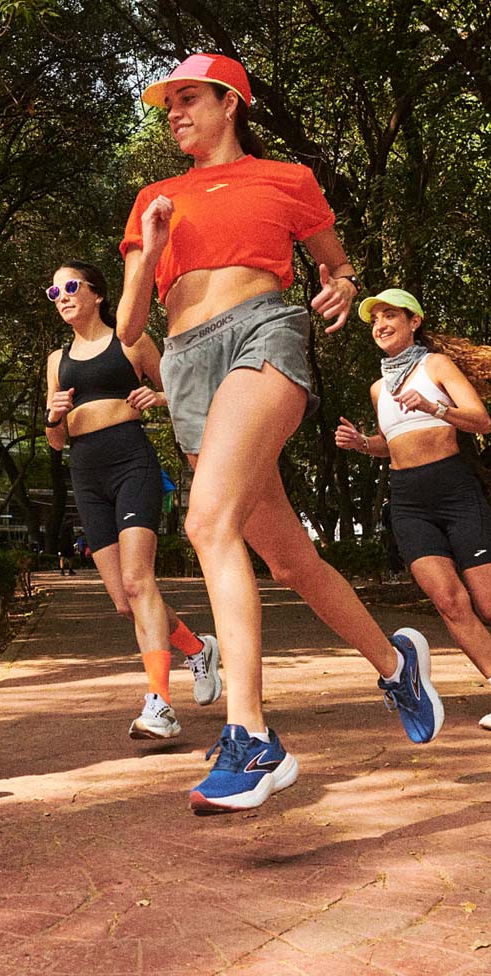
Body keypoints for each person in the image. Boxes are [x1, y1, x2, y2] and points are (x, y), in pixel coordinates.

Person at [117, 52, 444, 815]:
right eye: (169, 104)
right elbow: (131, 325)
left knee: (206, 521)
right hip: (187, 362)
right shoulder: (154, 197)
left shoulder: (287, 180)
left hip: (263, 334)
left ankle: (252, 736)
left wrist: (344, 287)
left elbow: (338, 268)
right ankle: (396, 665)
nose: (174, 113)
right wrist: (156, 247)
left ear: (231, 102)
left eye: (188, 98)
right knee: (290, 559)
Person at [336, 288, 491, 732]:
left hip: (455, 490)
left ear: (414, 323)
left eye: (391, 315)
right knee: (449, 603)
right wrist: (364, 444)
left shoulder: (436, 366)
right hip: (408, 501)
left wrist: (435, 406)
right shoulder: (378, 389)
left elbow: (481, 421)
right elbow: (394, 445)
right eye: (375, 319)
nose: (381, 324)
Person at [44, 259, 222, 739]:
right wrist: (53, 415)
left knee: (139, 581)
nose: (62, 296)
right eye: (54, 292)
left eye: (71, 287)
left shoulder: (131, 343)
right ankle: (196, 649)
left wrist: (155, 398)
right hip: (85, 472)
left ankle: (160, 704)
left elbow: (180, 392)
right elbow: (56, 442)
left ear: (97, 294)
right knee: (124, 600)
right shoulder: (57, 361)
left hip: (131, 465)